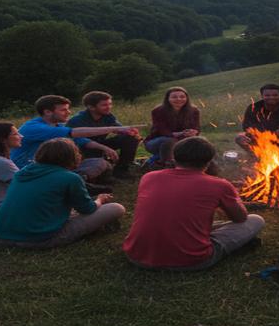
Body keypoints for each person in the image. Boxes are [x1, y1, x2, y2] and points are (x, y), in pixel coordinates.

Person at [124, 137, 265, 270]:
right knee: (256, 220)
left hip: (136, 256)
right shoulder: (220, 185)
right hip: (191, 261)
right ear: (209, 162)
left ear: (174, 157)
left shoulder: (149, 177)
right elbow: (240, 218)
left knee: (184, 223)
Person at [0, 138, 126, 249]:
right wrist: (100, 200)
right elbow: (87, 208)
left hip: (1, 235)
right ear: (73, 156)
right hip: (39, 239)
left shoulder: (22, 172)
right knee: (116, 208)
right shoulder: (69, 178)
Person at [11, 95, 137, 184]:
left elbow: (82, 140)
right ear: (48, 112)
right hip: (29, 170)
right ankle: (77, 183)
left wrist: (104, 148)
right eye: (63, 110)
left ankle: (79, 180)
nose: (68, 112)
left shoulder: (57, 125)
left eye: (68, 109)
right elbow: (74, 132)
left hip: (53, 167)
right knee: (69, 169)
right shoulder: (34, 127)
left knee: (100, 163)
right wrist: (112, 129)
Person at [67, 91, 143, 180]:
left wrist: (128, 132)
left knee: (130, 138)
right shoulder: (77, 120)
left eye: (110, 104)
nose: (109, 107)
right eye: (104, 105)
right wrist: (103, 148)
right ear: (91, 107)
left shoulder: (107, 116)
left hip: (100, 143)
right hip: (82, 149)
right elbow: (76, 142)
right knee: (99, 173)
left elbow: (118, 128)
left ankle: (122, 170)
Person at [144, 86, 201, 169]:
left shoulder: (194, 110)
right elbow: (162, 130)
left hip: (182, 141)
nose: (179, 99)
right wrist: (179, 134)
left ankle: (200, 167)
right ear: (167, 99)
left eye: (182, 97)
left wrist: (193, 132)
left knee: (202, 142)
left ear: (187, 98)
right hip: (157, 142)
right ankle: (167, 166)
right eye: (174, 97)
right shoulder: (158, 111)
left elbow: (197, 127)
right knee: (170, 141)